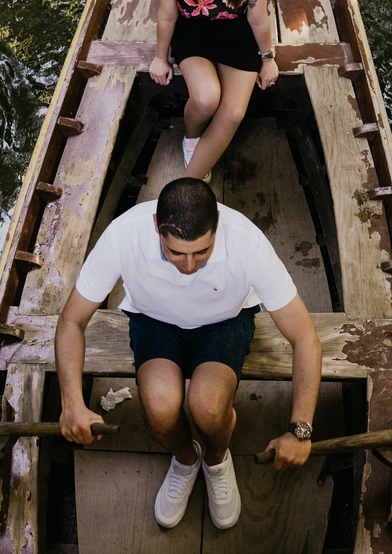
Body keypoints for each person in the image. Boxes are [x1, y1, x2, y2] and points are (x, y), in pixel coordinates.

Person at [57, 178, 321, 530]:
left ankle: (215, 460)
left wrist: (300, 430)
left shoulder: (249, 243)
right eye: (176, 253)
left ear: (217, 225)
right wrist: (72, 402)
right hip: (155, 320)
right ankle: (186, 459)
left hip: (224, 321)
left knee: (209, 407)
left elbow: (304, 338)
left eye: (202, 252)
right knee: (160, 407)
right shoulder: (123, 236)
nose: (189, 266)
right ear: (156, 227)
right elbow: (71, 321)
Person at [148, 0, 278, 181]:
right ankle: (192, 138)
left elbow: (258, 18)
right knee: (206, 98)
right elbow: (167, 14)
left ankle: (186, 184)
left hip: (236, 33)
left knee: (232, 113)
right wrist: (160, 57)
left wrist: (268, 59)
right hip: (193, 30)